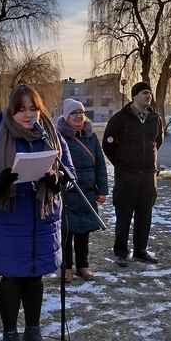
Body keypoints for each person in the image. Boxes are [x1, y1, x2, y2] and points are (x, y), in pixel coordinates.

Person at [0, 84, 75, 341]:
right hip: (9, 218)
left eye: (34, 109)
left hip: (43, 219)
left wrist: (55, 180)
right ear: (11, 110)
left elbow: (70, 174)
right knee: (12, 278)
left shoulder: (51, 135)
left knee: (35, 277)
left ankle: (32, 329)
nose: (29, 115)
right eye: (22, 110)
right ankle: (9, 333)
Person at [102, 81, 163, 267]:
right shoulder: (120, 118)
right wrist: (121, 164)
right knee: (124, 215)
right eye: (144, 93)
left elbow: (157, 142)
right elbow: (108, 145)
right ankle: (121, 252)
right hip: (126, 176)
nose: (148, 96)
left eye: (149, 93)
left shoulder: (155, 119)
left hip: (148, 176)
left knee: (145, 214)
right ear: (134, 96)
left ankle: (140, 251)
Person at [56, 98, 108, 282]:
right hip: (68, 192)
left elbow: (100, 165)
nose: (78, 116)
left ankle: (83, 266)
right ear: (66, 116)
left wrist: (102, 190)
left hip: (87, 192)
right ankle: (66, 267)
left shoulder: (91, 137)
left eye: (81, 113)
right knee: (66, 231)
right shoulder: (59, 137)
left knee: (83, 232)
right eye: (74, 113)